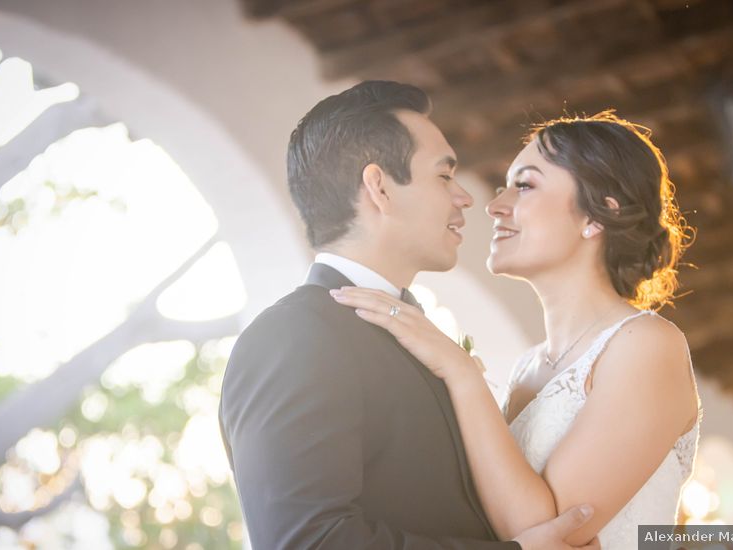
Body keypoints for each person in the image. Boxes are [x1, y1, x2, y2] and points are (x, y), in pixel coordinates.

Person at [218, 80, 599, 549]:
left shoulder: (418, 337)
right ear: (379, 187)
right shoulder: (292, 338)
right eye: (444, 176)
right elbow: (307, 543)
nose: (465, 197)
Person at [331, 111, 702, 549]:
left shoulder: (647, 345)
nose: (494, 205)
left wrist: (461, 373)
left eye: (524, 185)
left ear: (599, 214)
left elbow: (546, 529)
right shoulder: (528, 368)